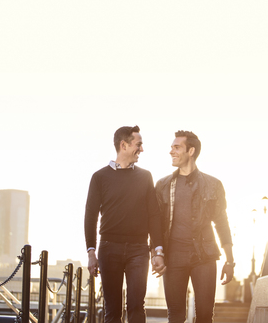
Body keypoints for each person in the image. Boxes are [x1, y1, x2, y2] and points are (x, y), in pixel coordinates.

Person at [84, 125, 166, 323]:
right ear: (124, 145)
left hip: (138, 249)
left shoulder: (145, 177)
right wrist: (91, 251)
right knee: (112, 310)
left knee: (137, 306)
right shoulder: (99, 177)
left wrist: (158, 251)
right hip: (108, 248)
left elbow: (154, 215)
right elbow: (90, 215)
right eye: (138, 144)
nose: (142, 149)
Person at [155, 130, 234, 323]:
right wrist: (156, 252)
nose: (171, 151)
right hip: (173, 258)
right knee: (175, 316)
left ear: (191, 151)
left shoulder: (213, 184)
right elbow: (156, 224)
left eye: (176, 147)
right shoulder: (163, 185)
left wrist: (230, 261)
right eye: (171, 147)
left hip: (204, 257)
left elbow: (221, 222)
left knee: (205, 315)